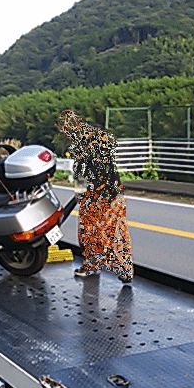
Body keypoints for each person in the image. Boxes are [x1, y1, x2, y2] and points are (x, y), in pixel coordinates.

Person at [58, 110, 133, 284]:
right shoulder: (102, 145)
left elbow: (82, 177)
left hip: (97, 198)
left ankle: (92, 266)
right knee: (116, 233)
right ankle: (125, 270)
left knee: (90, 234)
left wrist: (80, 194)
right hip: (115, 194)